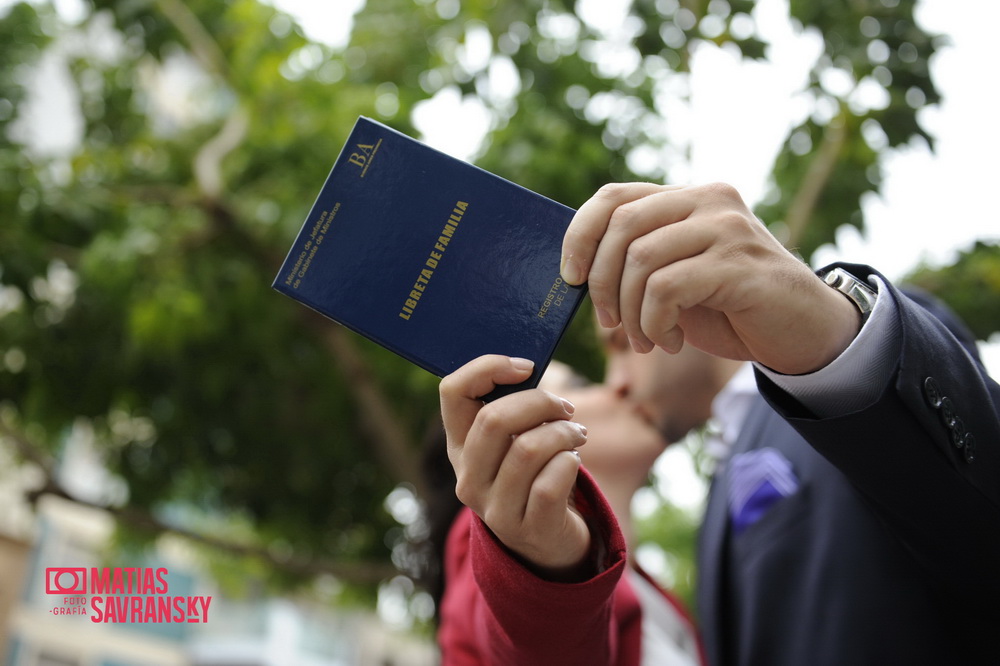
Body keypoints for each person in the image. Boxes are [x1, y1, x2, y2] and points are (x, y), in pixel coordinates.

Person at [440, 182, 1000, 665]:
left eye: (619, 344)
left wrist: (832, 336)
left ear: (675, 275)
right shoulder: (710, 515)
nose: (620, 384)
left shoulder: (862, 350)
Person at [430, 361, 705, 665]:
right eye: (580, 384)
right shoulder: (486, 544)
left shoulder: (664, 601)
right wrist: (546, 568)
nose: (619, 386)